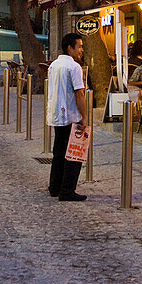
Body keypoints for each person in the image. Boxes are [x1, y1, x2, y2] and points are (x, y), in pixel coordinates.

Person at [47, 32, 88, 202]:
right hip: (70, 115)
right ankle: (67, 190)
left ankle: (54, 186)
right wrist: (84, 116)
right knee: (73, 154)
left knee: (59, 152)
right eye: (79, 46)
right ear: (70, 48)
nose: (81, 50)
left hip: (56, 114)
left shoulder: (54, 65)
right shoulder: (74, 67)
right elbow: (79, 93)